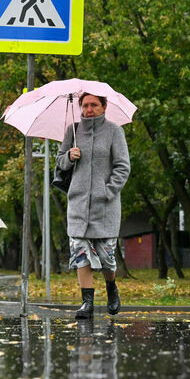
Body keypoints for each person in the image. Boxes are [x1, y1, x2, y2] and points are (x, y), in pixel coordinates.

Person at [56, 92, 130, 319]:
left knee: (107, 257)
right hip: (78, 205)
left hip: (105, 207)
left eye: (94, 105)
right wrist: (69, 156)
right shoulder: (73, 131)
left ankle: (111, 287)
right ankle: (87, 303)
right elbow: (60, 162)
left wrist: (107, 192)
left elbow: (122, 167)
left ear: (104, 106)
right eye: (85, 105)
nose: (89, 109)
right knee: (80, 253)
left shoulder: (115, 131)